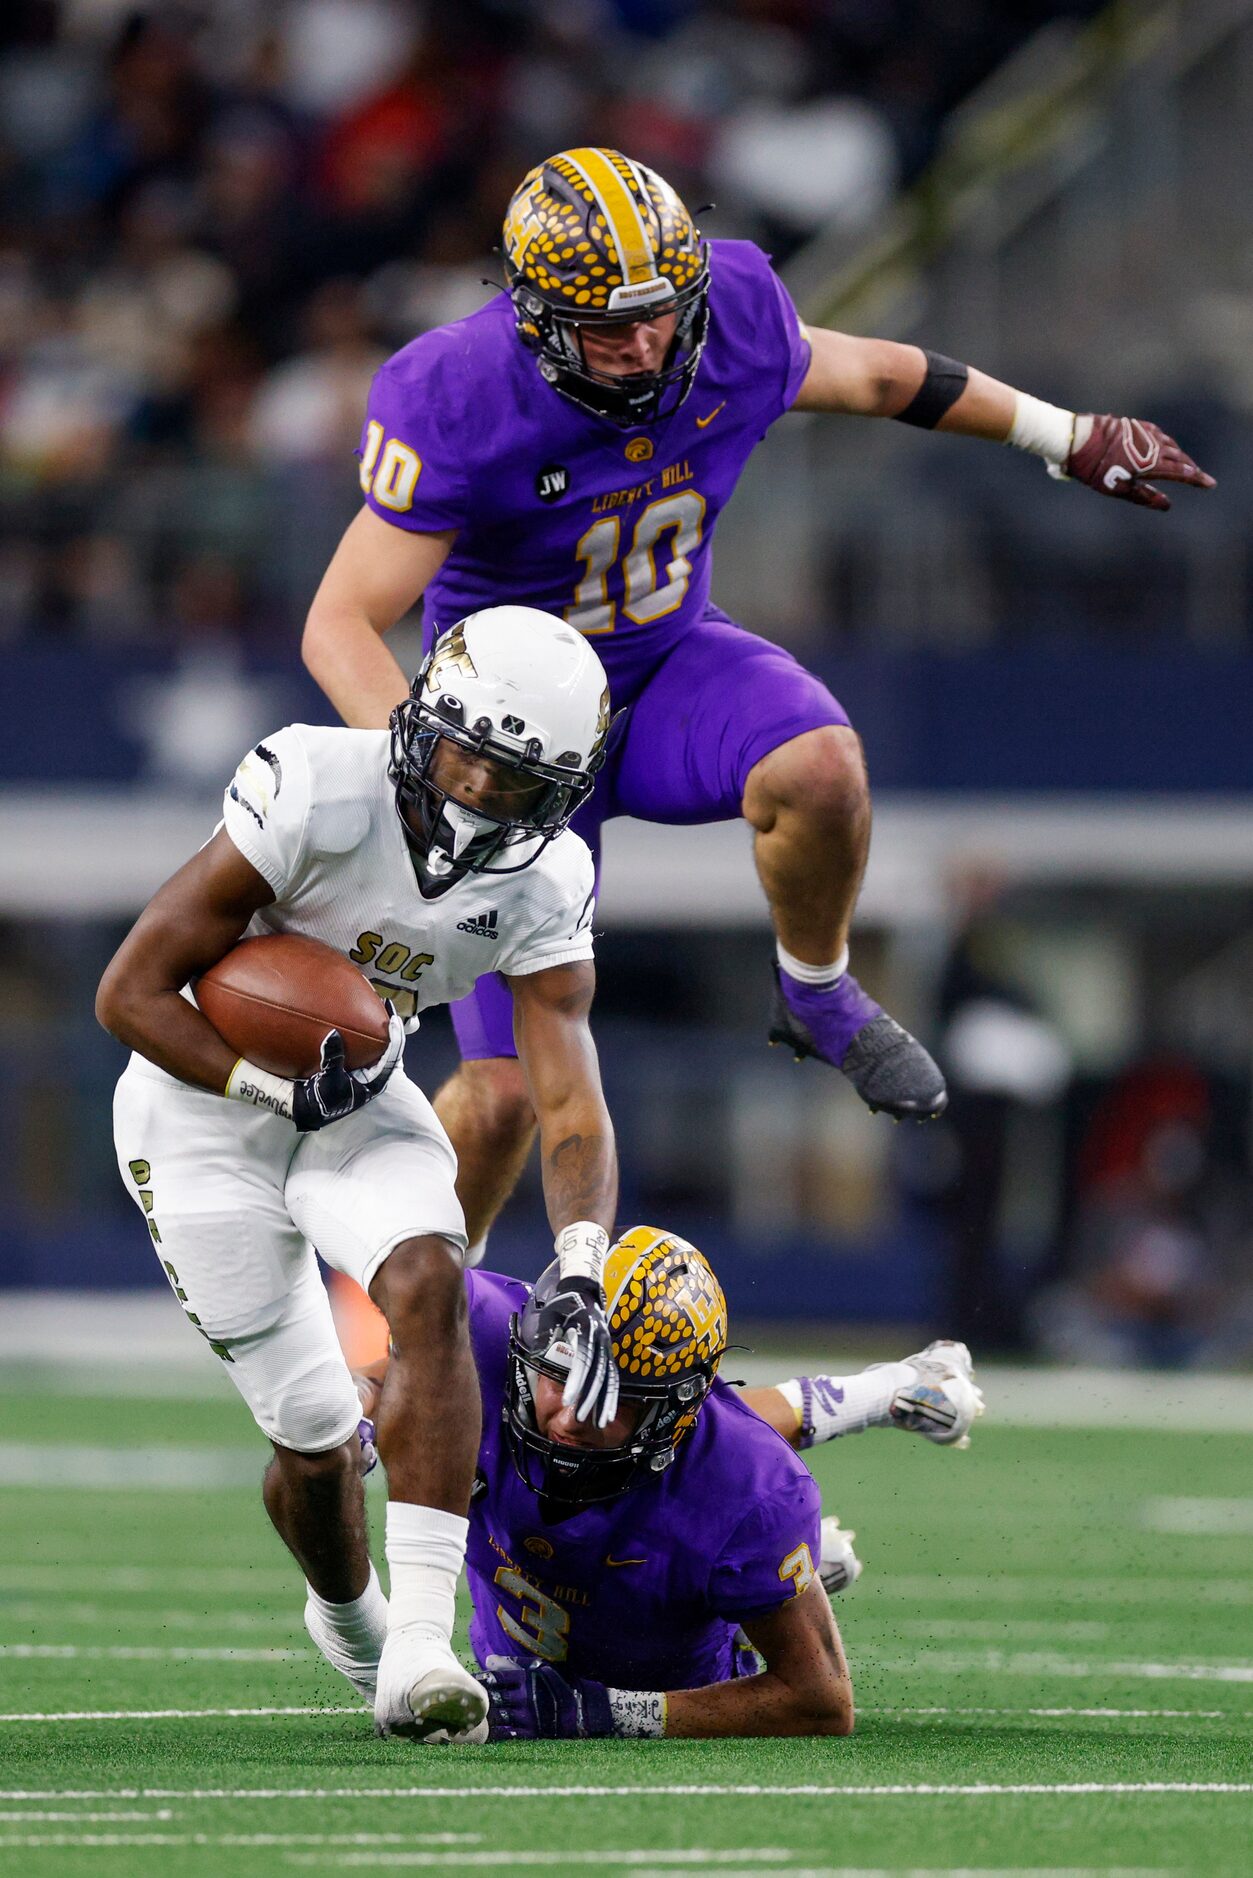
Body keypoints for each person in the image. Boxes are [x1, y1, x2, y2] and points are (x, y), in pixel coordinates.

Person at [300, 146, 1215, 1260]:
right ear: (534, 319)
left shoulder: (730, 315)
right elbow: (339, 622)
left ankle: (818, 993)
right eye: (606, 325)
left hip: (667, 667)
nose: (642, 344)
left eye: (658, 314)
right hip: (513, 749)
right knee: (496, 1099)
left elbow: (883, 378)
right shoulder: (458, 392)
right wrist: (424, 785)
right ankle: (409, 1342)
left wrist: (1065, 436)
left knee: (820, 768)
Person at [96, 604, 628, 1747]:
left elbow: (566, 1093)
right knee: (316, 1447)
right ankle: (349, 1620)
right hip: (200, 1109)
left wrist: (581, 1262)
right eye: (466, 758)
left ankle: (427, 1649)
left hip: (359, 1097)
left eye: (517, 782)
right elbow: (128, 993)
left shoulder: (549, 879)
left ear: (566, 790)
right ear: (419, 722)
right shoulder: (315, 786)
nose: (481, 795)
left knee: (429, 1279)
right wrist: (269, 1088)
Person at [349, 1226, 984, 1740]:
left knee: (731, 1476)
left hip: (672, 1629)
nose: (568, 1414)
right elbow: (379, 1381)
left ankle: (773, 1567)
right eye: (556, 1375)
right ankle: (889, 1393)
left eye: (612, 1395)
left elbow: (821, 1702)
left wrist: (599, 1713)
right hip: (623, 1551)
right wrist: (351, 1411)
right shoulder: (484, 1334)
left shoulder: (745, 1487)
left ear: (674, 1407)